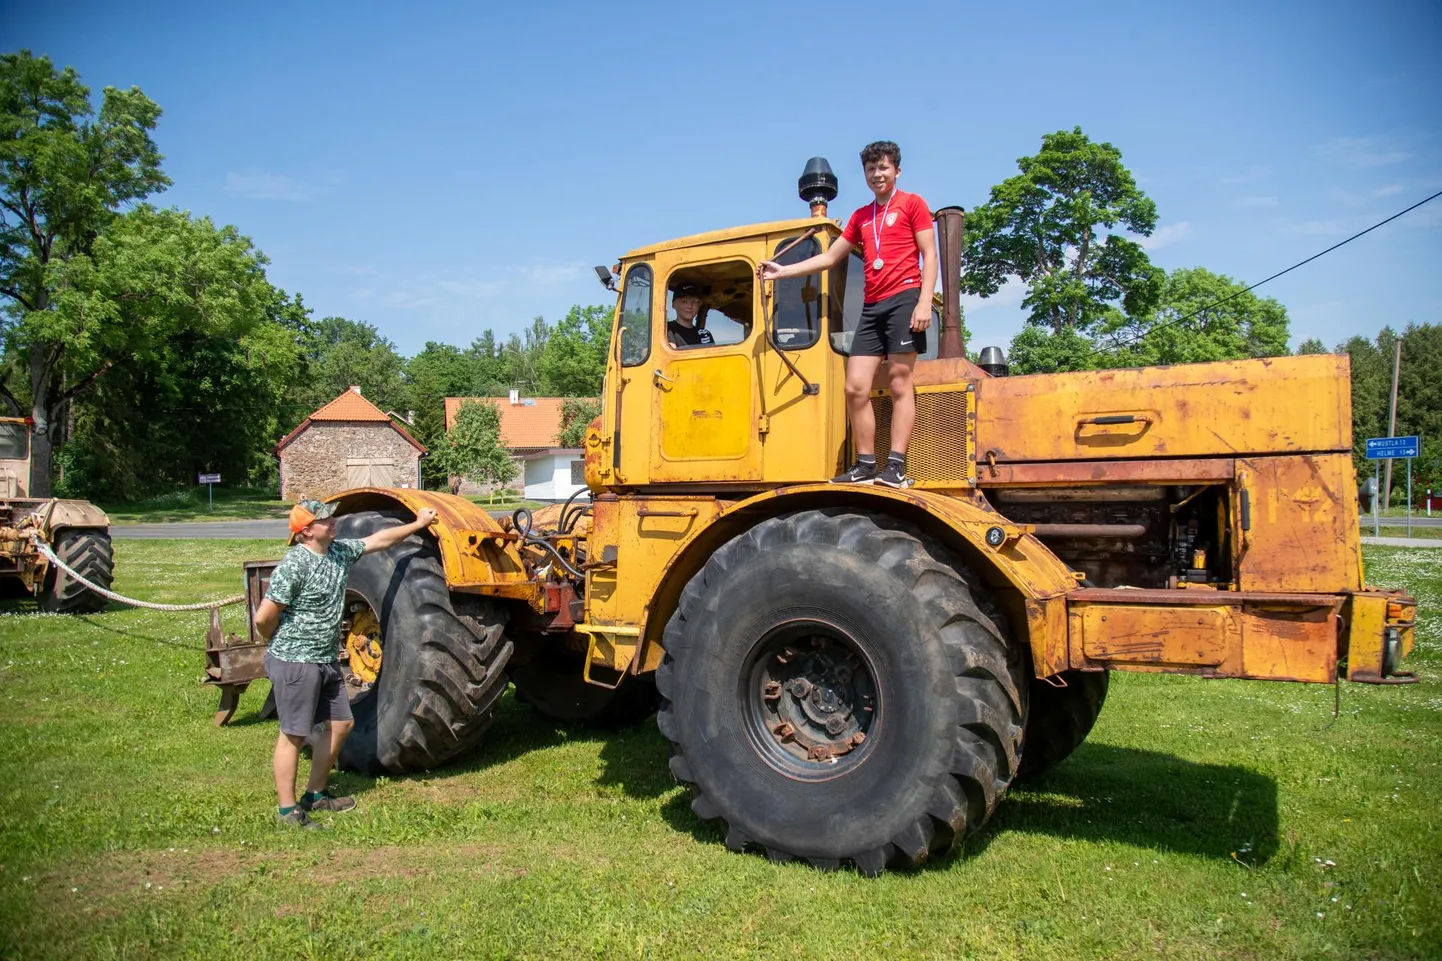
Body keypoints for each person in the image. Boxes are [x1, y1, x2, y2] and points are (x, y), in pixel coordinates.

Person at [758, 140, 936, 488]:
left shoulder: (913, 204)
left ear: (896, 170)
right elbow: (828, 258)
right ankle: (866, 464)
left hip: (905, 298)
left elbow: (929, 254)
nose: (877, 175)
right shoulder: (860, 217)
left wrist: (925, 301)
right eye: (871, 170)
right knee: (855, 387)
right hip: (873, 306)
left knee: (900, 382)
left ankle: (896, 467)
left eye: (883, 168)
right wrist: (781, 271)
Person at [253, 498, 438, 828]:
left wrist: (418, 524)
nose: (332, 521)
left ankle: (316, 794)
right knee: (293, 734)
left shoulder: (338, 551)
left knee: (341, 725)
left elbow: (377, 540)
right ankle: (287, 810)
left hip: (325, 659)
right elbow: (264, 617)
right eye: (324, 519)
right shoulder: (295, 564)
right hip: (297, 660)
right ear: (307, 531)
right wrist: (279, 642)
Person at [666, 283, 716, 348]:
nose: (689, 306)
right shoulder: (666, 329)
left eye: (694, 301)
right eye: (684, 301)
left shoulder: (705, 334)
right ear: (673, 304)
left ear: (699, 305)